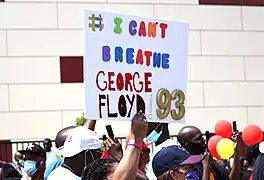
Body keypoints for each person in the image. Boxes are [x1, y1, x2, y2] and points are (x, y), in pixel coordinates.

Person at [177, 126, 242, 180]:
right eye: (198, 139)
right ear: (188, 145)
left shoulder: (207, 160)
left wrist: (237, 152)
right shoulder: (183, 168)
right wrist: (206, 167)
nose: (203, 140)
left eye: (202, 137)